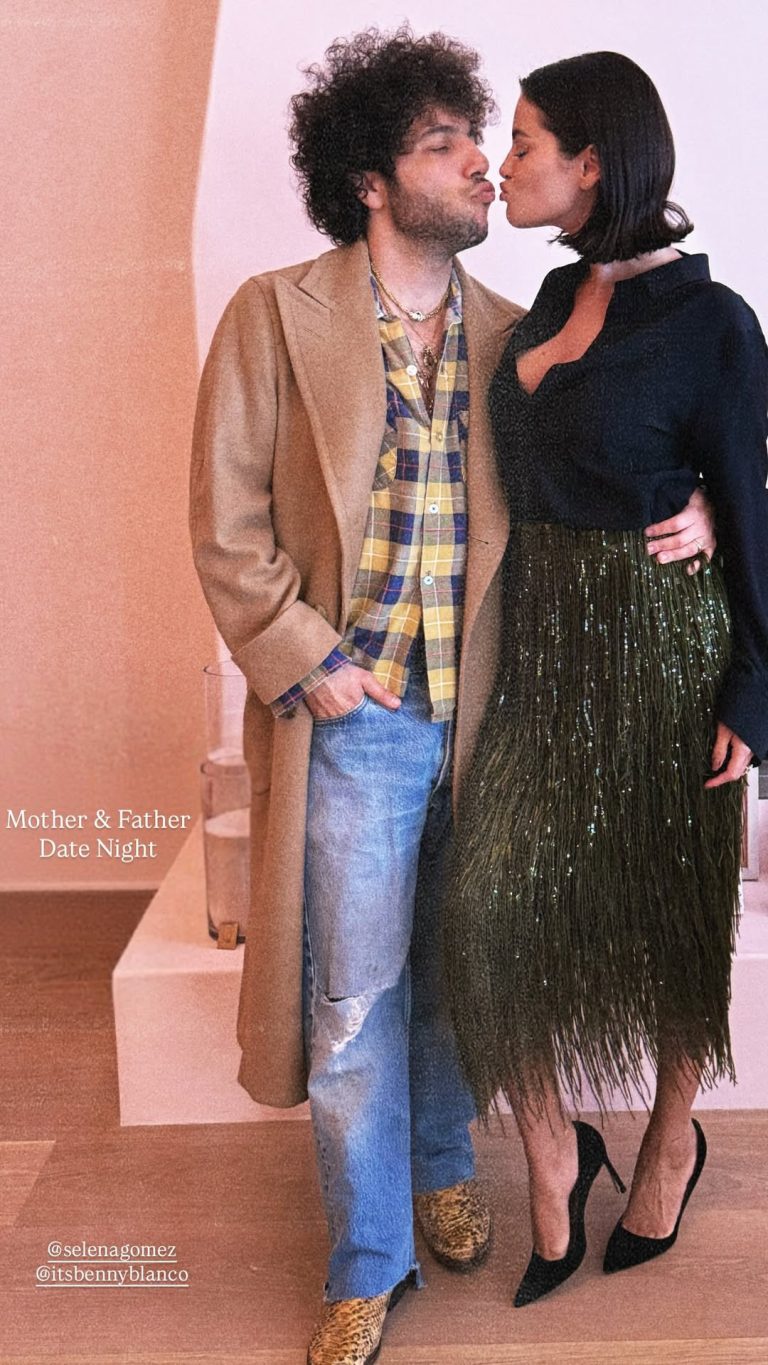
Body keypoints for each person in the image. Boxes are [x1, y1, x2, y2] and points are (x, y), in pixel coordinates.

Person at [190, 31, 716, 1363]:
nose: (484, 163)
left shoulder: (518, 330)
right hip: (357, 722)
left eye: (485, 140)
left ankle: (442, 1172)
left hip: (495, 719)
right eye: (445, 145)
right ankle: (369, 1263)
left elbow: (627, 454)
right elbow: (225, 523)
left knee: (457, 980)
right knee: (355, 1004)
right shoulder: (273, 314)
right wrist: (312, 663)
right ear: (371, 179)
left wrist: (706, 502)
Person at [442, 50, 768, 1310]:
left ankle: (672, 1143)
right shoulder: (544, 294)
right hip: (536, 655)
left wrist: (754, 693)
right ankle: (553, 1155)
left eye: (524, 141)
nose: (504, 161)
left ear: (591, 162)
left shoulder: (713, 321)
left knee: (676, 919)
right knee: (487, 912)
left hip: (666, 656)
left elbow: (749, 504)